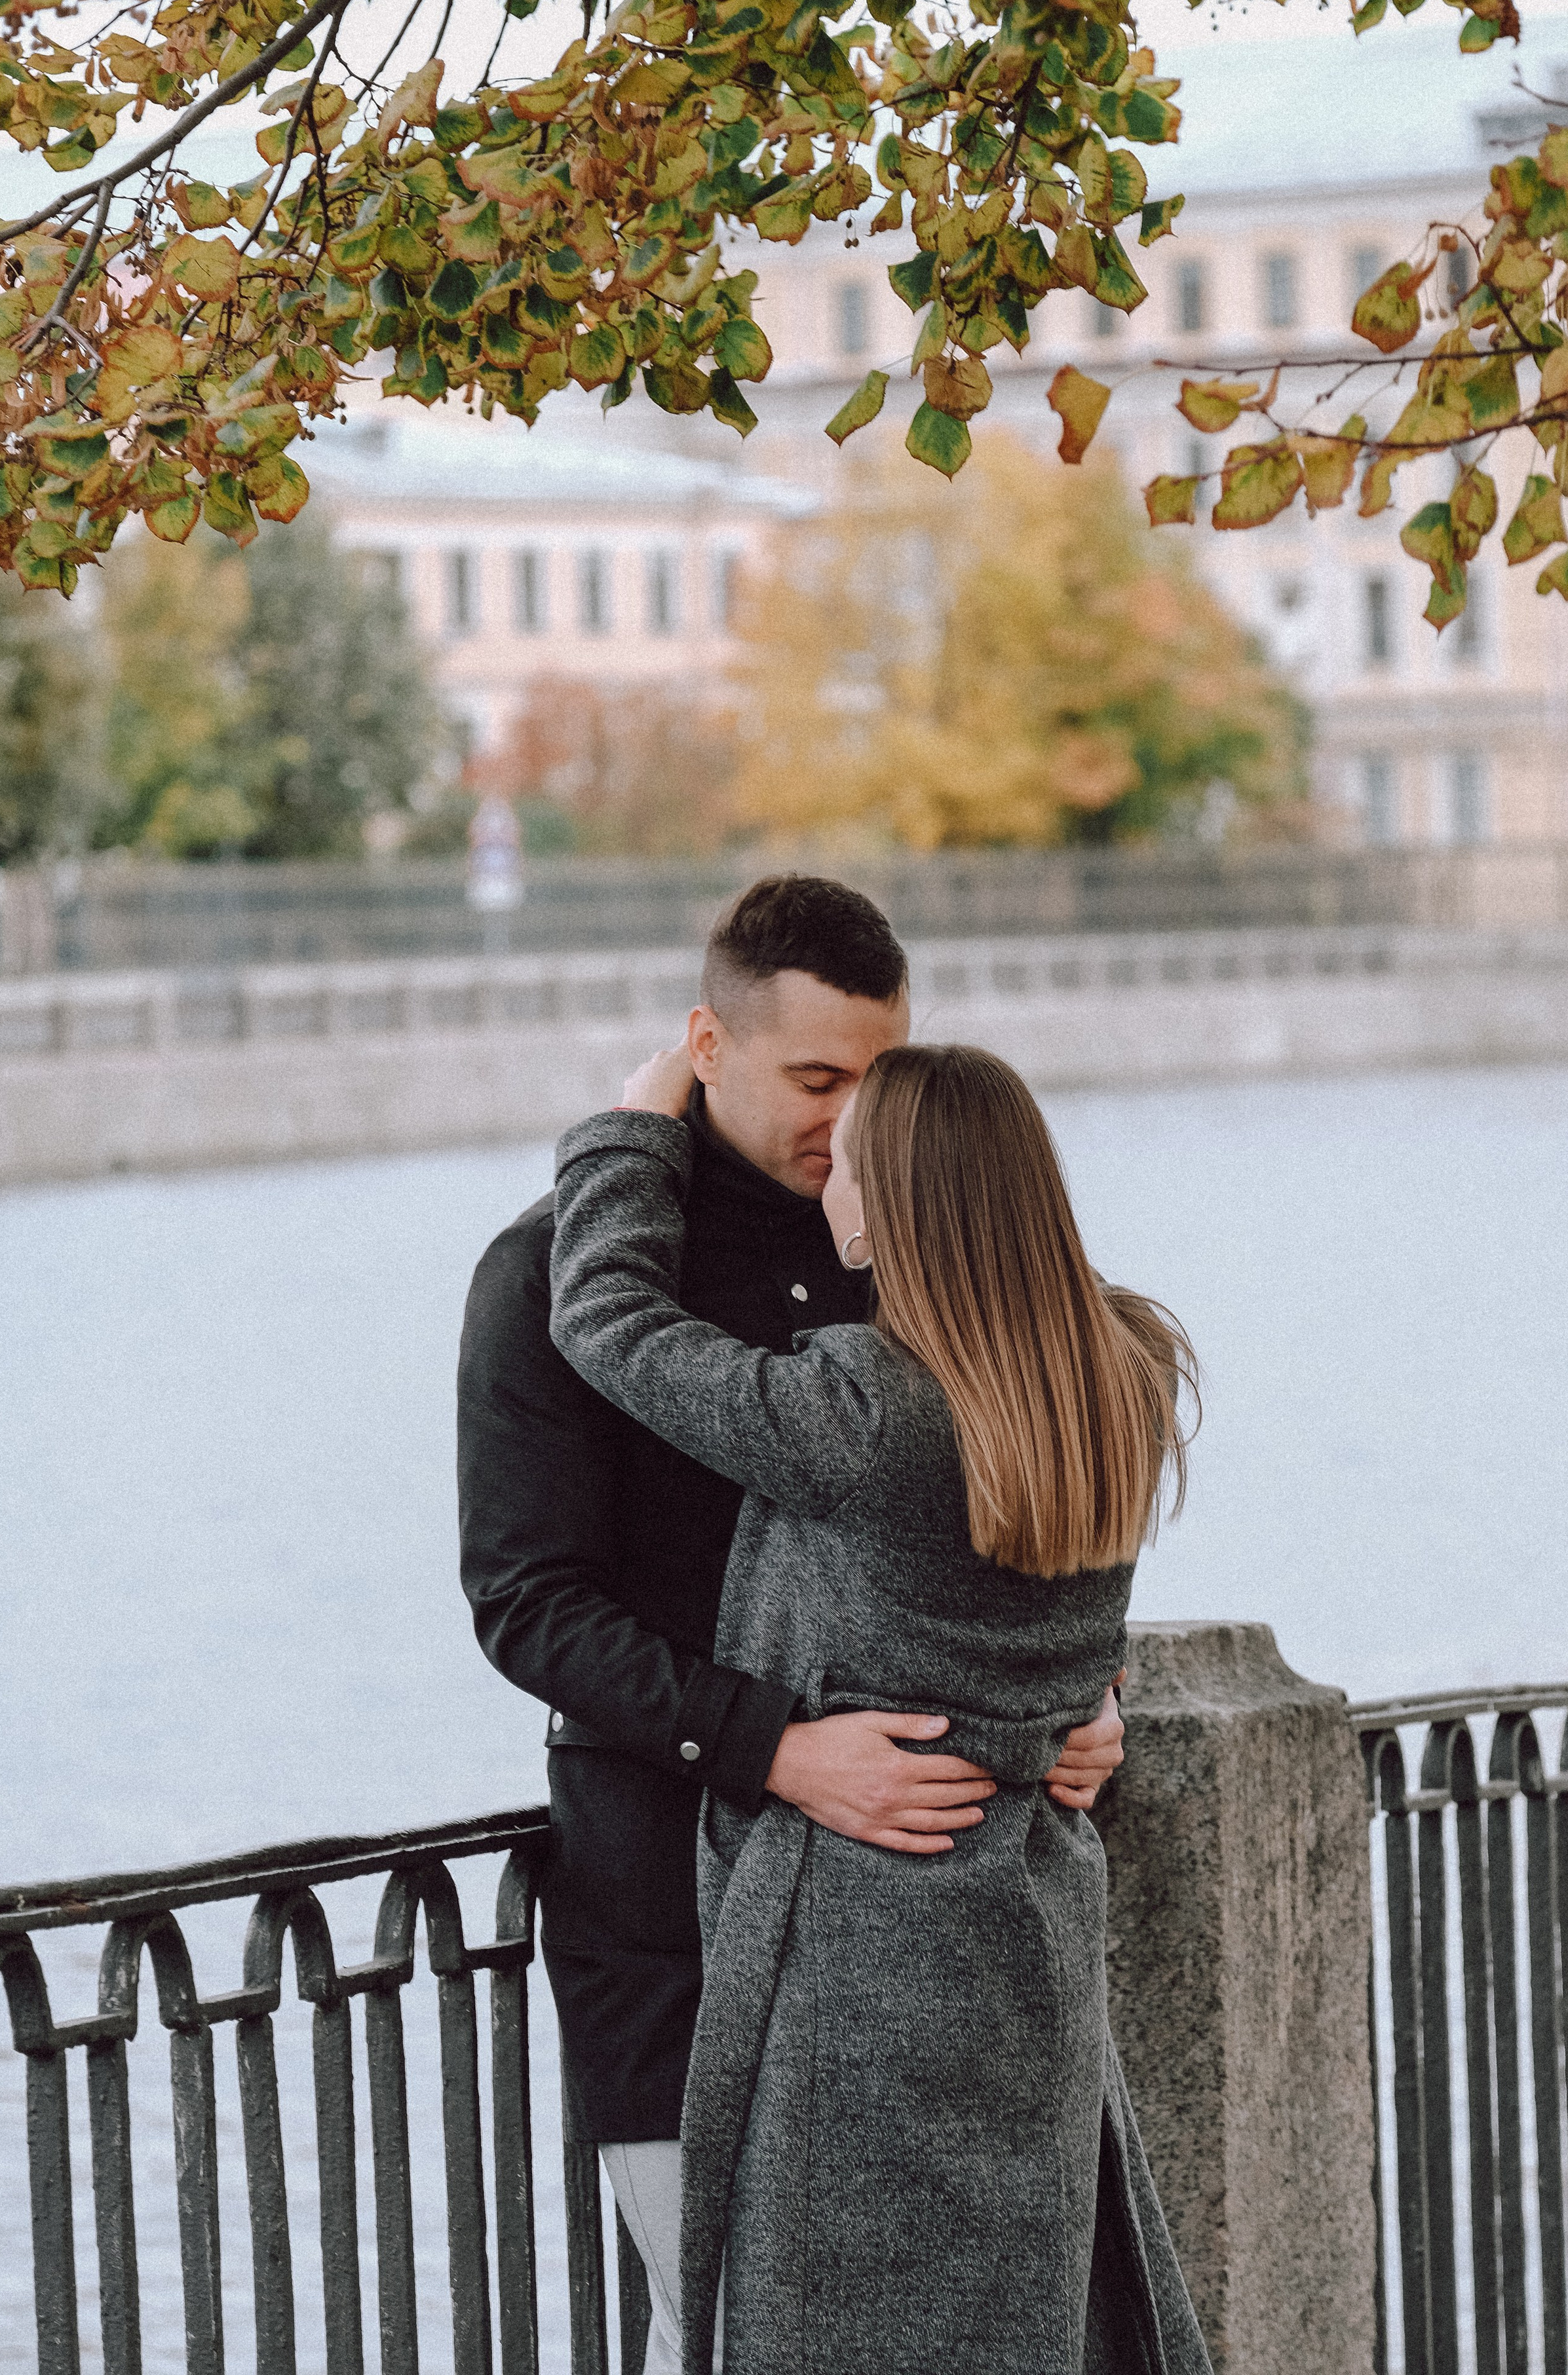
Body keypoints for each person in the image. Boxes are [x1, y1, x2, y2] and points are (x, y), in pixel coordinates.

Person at [457, 876, 1130, 2370]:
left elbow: (1030, 1497)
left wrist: (1082, 1688)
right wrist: (778, 1751)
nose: (846, 1121)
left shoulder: (919, 1250)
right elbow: (526, 1607)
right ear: (709, 1042)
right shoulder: (550, 1270)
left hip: (937, 1945)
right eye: (815, 1079)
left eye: (874, 1083)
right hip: (675, 1920)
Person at [548, 1038, 1212, 2375]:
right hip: (1027, 1928)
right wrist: (1084, 1702)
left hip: (861, 1952)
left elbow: (607, 1324)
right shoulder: (1123, 1371)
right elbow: (1051, 1617)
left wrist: (628, 1134)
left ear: (900, 1197)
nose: (826, 1181)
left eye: (848, 1160)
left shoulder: (865, 1405)